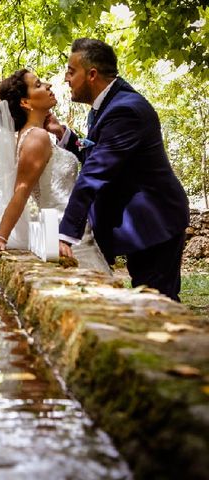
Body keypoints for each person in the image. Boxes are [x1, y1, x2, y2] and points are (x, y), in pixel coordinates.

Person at [45, 38, 189, 301]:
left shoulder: (126, 111)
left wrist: (66, 235)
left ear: (91, 75)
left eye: (71, 70)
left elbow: (93, 175)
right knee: (146, 300)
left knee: (158, 303)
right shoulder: (105, 106)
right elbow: (97, 153)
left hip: (156, 223)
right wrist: (64, 134)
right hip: (140, 224)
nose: (66, 78)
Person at [0, 69, 109, 274]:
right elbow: (20, 191)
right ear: (25, 102)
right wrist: (0, 240)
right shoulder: (36, 138)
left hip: (76, 231)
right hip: (66, 237)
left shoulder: (39, 135)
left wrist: (60, 131)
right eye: (38, 84)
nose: (48, 85)